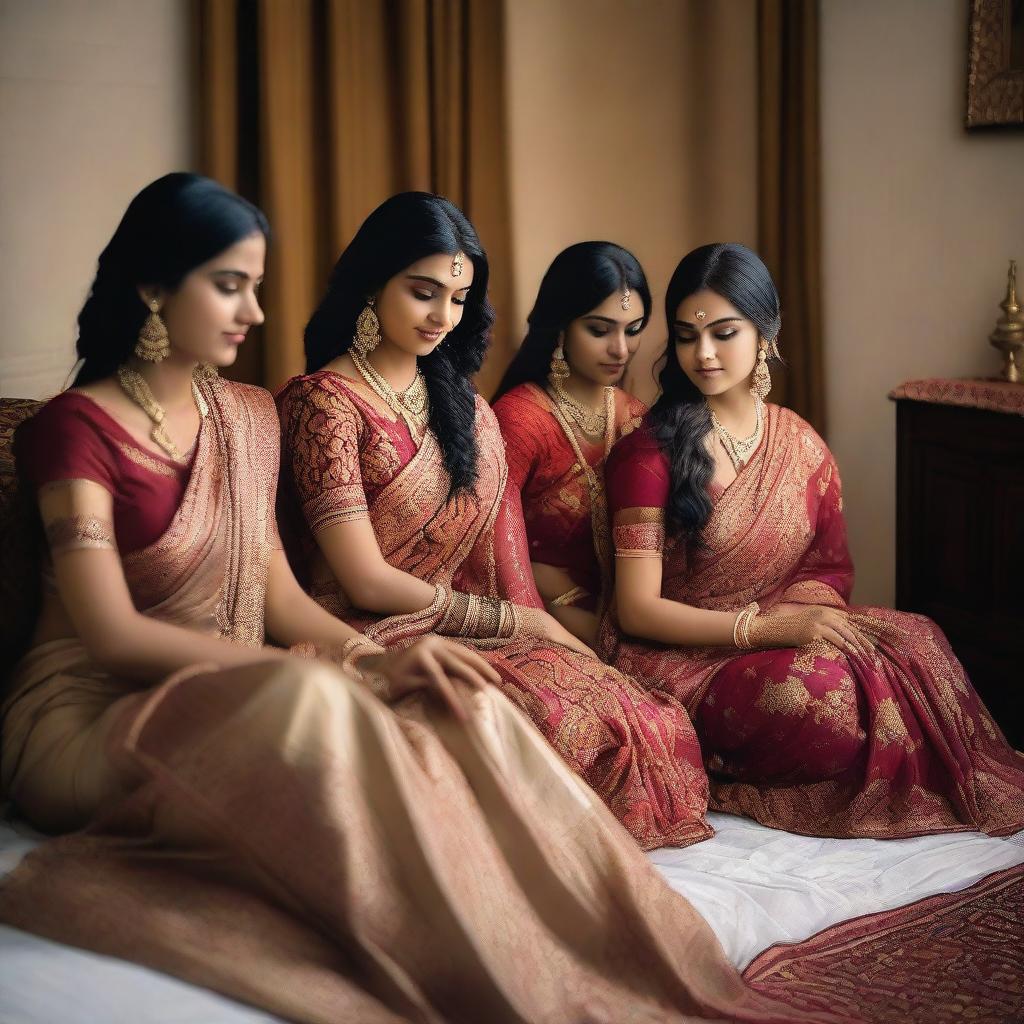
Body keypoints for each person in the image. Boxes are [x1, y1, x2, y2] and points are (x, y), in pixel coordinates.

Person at [0, 178, 818, 1024]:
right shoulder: (76, 428)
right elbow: (112, 635)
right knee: (321, 699)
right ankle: (459, 970)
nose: (254, 312)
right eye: (229, 285)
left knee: (467, 706)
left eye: (256, 286)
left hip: (230, 690)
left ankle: (566, 953)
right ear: (152, 287)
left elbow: (280, 598)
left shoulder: (244, 415)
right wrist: (326, 671)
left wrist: (382, 661)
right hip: (89, 712)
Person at [276, 193, 713, 853]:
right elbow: (363, 580)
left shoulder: (467, 409)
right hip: (368, 635)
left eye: (458, 299)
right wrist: (520, 625)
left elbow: (505, 558)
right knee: (513, 723)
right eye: (423, 292)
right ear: (373, 282)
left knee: (640, 716)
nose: (442, 316)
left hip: (465, 626)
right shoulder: (323, 404)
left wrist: (550, 635)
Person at [601, 241, 1024, 839]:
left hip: (780, 631)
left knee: (919, 640)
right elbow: (636, 610)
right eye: (688, 336)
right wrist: (764, 630)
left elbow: (825, 570)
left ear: (765, 333)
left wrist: (799, 620)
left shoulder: (798, 442)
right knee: (823, 701)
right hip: (682, 659)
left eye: (724, 333)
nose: (704, 353)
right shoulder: (649, 455)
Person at [493, 242, 648, 647]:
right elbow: (488, 546)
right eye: (599, 330)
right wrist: (573, 617)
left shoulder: (636, 418)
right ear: (561, 326)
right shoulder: (521, 419)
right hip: (534, 618)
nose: (621, 349)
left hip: (629, 618)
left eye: (633, 330)